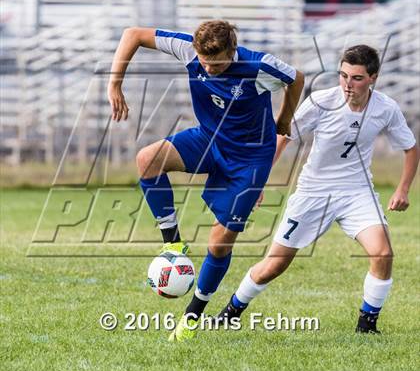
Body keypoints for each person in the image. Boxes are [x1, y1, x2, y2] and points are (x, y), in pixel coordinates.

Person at [107, 20, 304, 341]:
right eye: (203, 61)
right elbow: (133, 34)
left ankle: (192, 316)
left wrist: (284, 117)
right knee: (147, 159)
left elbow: (296, 78)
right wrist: (115, 84)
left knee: (219, 242)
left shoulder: (258, 66)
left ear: (232, 51)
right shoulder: (189, 49)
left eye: (216, 63)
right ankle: (173, 242)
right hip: (209, 140)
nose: (208, 68)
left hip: (249, 160)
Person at [217, 44, 419, 334]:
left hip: (357, 191)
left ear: (373, 78)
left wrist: (402, 190)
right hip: (314, 191)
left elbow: (411, 148)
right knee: (274, 265)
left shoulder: (386, 108)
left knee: (383, 254)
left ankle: (367, 326)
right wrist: (257, 182)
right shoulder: (321, 102)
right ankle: (231, 312)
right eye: (343, 76)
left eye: (357, 78)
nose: (348, 84)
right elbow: (282, 137)